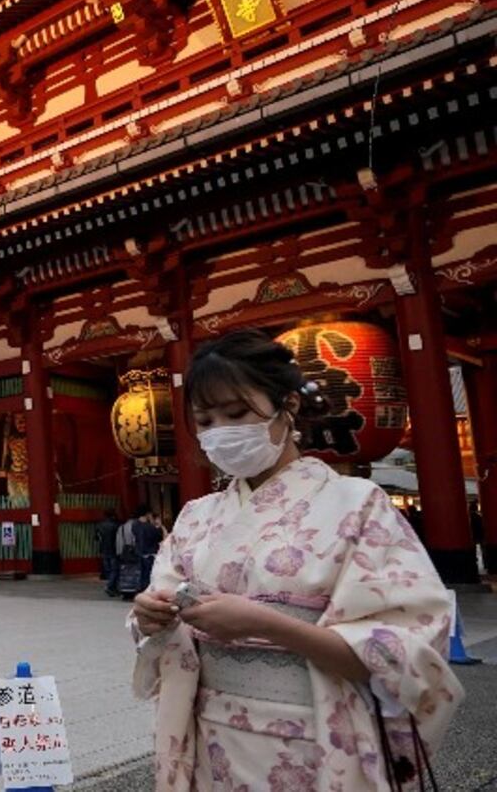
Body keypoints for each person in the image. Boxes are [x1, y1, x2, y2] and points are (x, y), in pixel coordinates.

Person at [131, 329, 463, 790]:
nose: (219, 432)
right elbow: (163, 614)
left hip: (314, 741)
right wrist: (151, 618)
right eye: (205, 420)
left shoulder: (357, 503)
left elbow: (409, 647)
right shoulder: (195, 517)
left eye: (237, 413)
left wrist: (268, 625)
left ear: (287, 407)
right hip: (211, 742)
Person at [133, 505, 163, 591]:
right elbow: (159, 536)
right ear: (147, 514)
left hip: (140, 552)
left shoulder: (135, 524)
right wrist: (157, 525)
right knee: (149, 575)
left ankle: (142, 590)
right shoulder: (148, 527)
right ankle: (147, 591)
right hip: (150, 553)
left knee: (143, 574)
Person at [96, 509, 121, 596]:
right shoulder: (116, 525)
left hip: (103, 550)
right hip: (113, 550)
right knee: (115, 569)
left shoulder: (99, 525)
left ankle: (112, 586)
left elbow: (96, 538)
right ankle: (111, 586)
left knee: (109, 570)